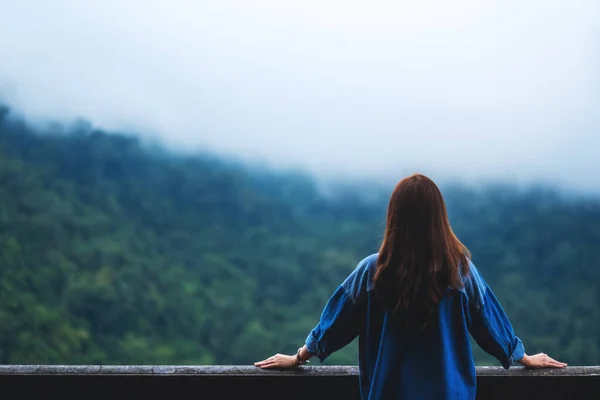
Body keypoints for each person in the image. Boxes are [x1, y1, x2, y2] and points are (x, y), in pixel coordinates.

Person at [254, 173, 566, 399]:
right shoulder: (460, 272)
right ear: (439, 218)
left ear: (395, 217)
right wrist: (523, 357)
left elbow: (333, 325)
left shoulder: (372, 271)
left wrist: (297, 358)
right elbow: (491, 324)